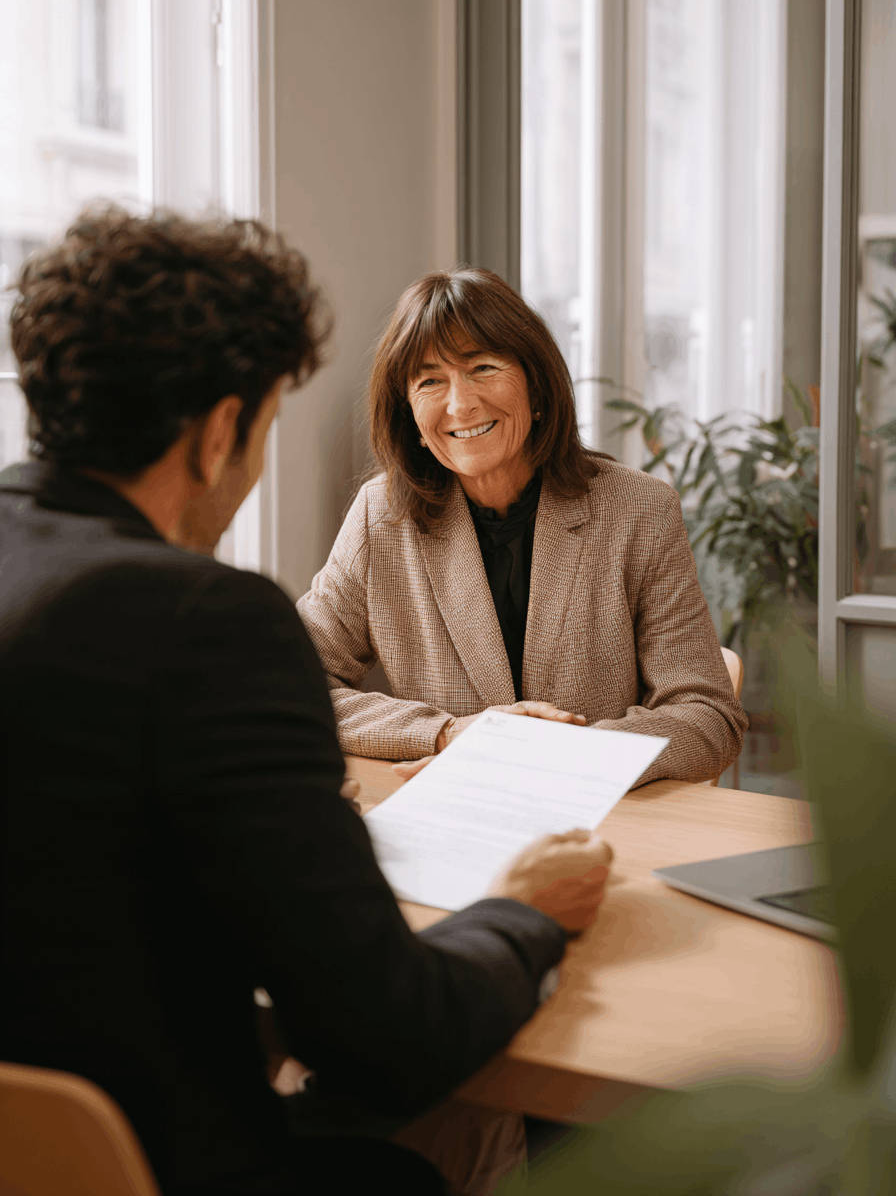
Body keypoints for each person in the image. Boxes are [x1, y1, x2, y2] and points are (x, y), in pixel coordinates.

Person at [0, 209, 613, 1196]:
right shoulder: (208, 622)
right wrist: (520, 910)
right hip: (164, 1161)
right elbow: (387, 1035)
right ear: (219, 432)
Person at [299, 268, 747, 781]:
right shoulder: (382, 517)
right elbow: (287, 683)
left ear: (536, 388)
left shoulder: (638, 510)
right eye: (430, 381)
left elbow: (709, 717)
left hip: (601, 821)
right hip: (451, 817)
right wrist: (447, 733)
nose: (460, 403)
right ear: (411, 419)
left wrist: (566, 753)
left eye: (483, 367)